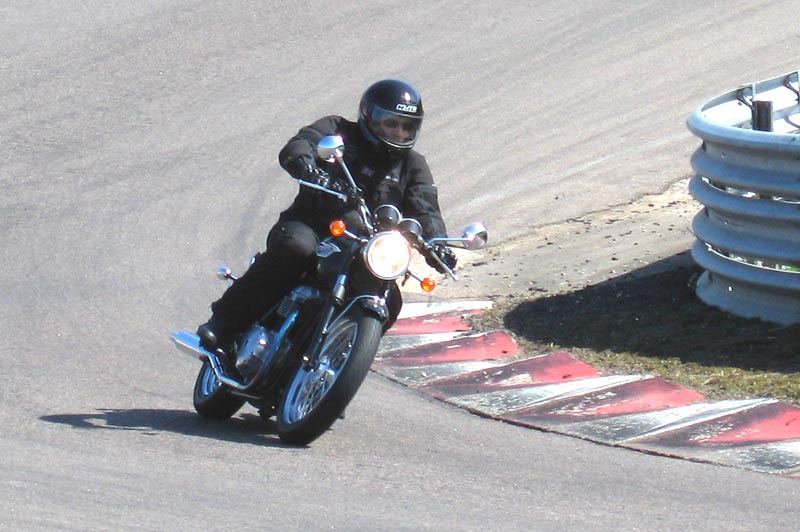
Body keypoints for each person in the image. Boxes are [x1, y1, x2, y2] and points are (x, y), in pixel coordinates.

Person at [196, 79, 457, 350]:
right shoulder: (339, 130)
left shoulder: (413, 165)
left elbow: (426, 209)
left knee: (390, 300)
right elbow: (300, 145)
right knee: (296, 249)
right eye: (391, 123)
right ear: (370, 117)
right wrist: (308, 168)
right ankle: (224, 322)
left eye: (407, 126)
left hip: (365, 248)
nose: (399, 132)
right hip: (313, 225)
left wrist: (439, 245)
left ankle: (341, 356)